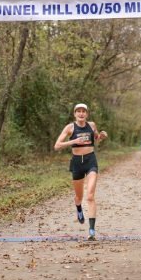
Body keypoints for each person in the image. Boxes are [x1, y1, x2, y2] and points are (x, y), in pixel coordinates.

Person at [54, 103, 108, 240]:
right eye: (78, 111)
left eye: (84, 111)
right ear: (75, 114)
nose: (81, 113)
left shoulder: (92, 125)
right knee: (79, 197)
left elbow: (96, 138)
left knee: (90, 196)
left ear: (87, 114)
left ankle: (91, 231)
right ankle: (78, 208)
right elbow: (57, 146)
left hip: (91, 161)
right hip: (77, 163)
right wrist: (73, 142)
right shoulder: (70, 128)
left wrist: (101, 136)